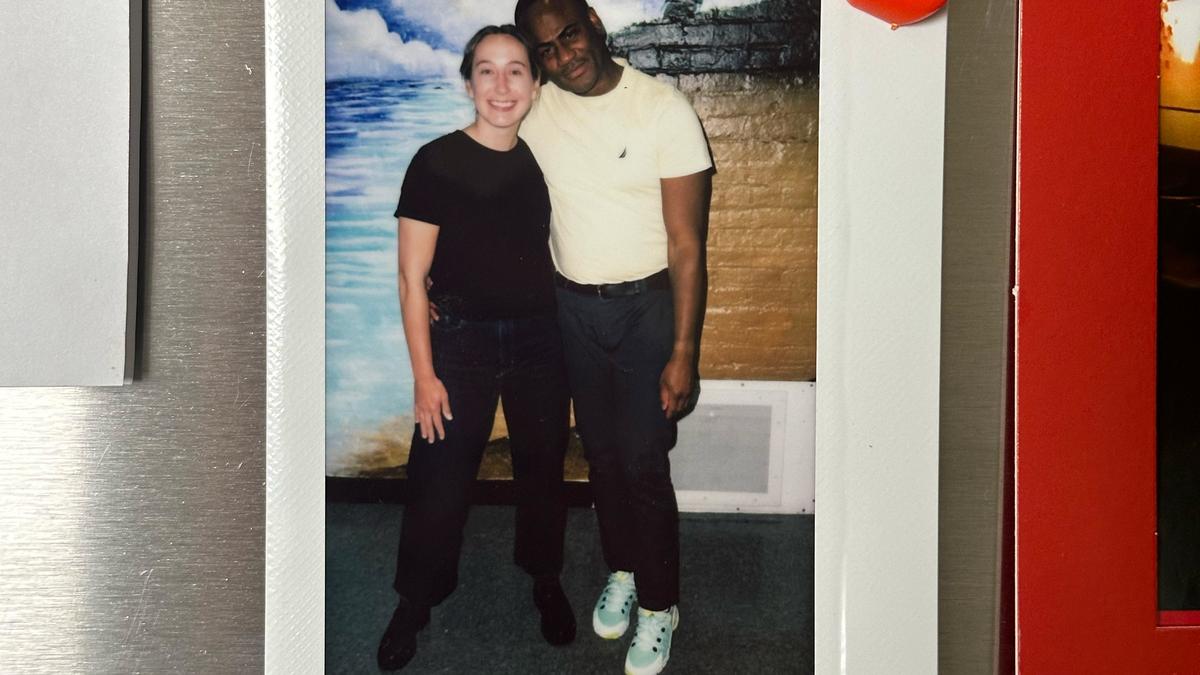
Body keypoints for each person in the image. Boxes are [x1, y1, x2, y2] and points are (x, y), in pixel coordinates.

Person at [513, 2, 713, 674]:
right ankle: (624, 568)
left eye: (569, 34)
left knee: (642, 463)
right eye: (545, 48)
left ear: (593, 22)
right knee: (600, 456)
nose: (563, 55)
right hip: (571, 309)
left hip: (647, 309)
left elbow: (687, 245)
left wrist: (684, 350)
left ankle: (660, 605)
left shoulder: (662, 111)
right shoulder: (537, 112)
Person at [375, 24, 576, 672]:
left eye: (516, 69)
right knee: (436, 480)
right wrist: (423, 374)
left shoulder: (549, 157)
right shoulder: (434, 161)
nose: (501, 85)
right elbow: (411, 277)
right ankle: (415, 600)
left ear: (536, 84)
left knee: (543, 470)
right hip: (457, 343)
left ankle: (545, 578)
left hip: (540, 339)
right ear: (467, 83)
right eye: (486, 70)